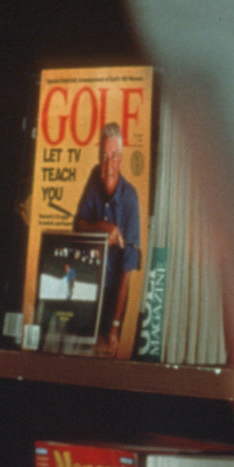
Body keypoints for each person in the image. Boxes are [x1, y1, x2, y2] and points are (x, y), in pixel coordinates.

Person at [73, 122, 141, 352]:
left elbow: (127, 271)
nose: (108, 164)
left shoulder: (130, 198)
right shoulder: (94, 177)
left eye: (113, 156)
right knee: (81, 351)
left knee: (105, 351)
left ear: (120, 159)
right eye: (103, 157)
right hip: (87, 283)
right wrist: (102, 227)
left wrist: (114, 326)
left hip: (114, 293)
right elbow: (79, 225)